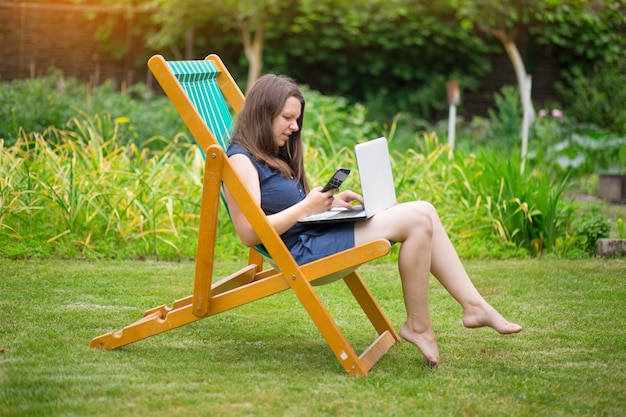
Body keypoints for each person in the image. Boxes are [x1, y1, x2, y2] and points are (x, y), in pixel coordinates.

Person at [224, 74, 522, 368]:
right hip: (302, 254)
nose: (295, 126)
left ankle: (474, 306)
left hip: (313, 236)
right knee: (418, 218)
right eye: (287, 118)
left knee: (426, 211)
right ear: (263, 115)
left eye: (297, 118)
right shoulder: (241, 161)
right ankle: (419, 325)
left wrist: (326, 206)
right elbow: (249, 233)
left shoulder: (269, 153)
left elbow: (285, 210)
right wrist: (305, 208)